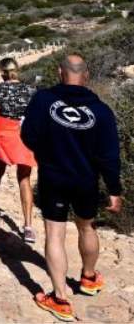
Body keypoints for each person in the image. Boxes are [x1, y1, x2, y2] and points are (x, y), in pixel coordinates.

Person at [21, 53, 123, 322]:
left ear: (59, 72)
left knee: (55, 234)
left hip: (54, 176)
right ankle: (89, 277)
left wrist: (46, 154)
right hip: (86, 179)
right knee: (87, 226)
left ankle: (60, 298)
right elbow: (109, 154)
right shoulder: (101, 110)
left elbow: (28, 135)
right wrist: (114, 189)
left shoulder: (43, 100)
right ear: (86, 75)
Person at [0, 57, 37, 242]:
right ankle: (28, 226)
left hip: (3, 133)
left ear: (1, 72)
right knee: (24, 178)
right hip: (25, 134)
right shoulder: (31, 90)